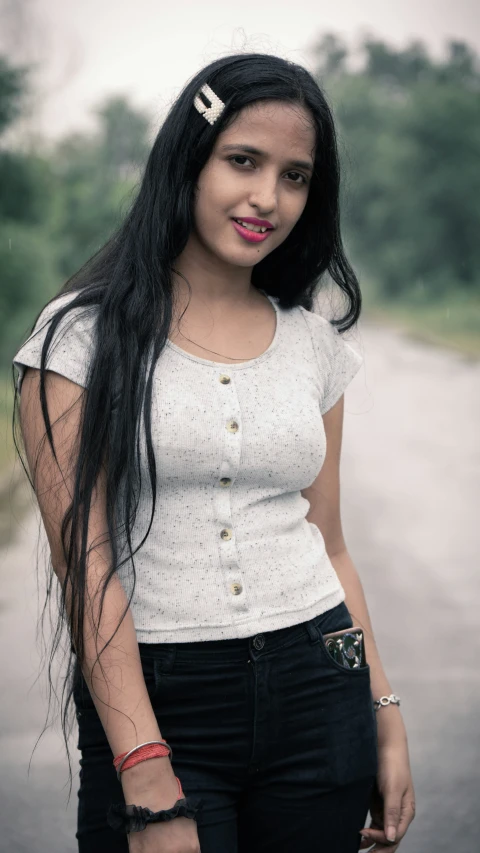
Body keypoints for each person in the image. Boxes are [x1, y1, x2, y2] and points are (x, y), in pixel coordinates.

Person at [12, 53, 415, 853]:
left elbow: (329, 544)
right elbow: (85, 568)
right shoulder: (79, 340)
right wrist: (148, 777)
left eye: (295, 175)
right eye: (243, 161)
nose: (268, 198)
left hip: (319, 687)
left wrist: (383, 711)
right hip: (164, 707)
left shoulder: (313, 342)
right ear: (188, 159)